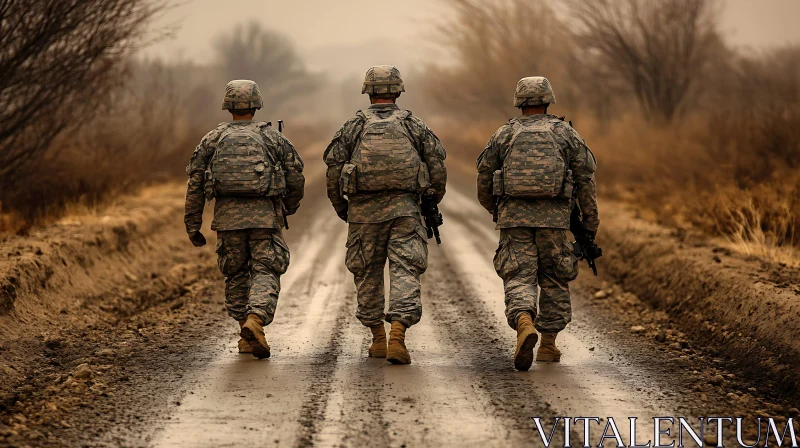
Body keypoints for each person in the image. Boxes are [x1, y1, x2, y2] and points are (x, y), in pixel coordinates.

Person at [323, 65, 447, 365]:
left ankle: (378, 337)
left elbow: (333, 170)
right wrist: (429, 200)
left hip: (363, 214)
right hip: (405, 210)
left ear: (368, 91)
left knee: (366, 272)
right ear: (398, 91)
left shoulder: (352, 127)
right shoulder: (414, 125)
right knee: (406, 270)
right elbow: (437, 168)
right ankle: (398, 335)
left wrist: (344, 208)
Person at [476, 77, 599, 371]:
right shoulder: (566, 134)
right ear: (548, 100)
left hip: (514, 218)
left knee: (518, 274)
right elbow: (586, 180)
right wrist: (589, 225)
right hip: (555, 219)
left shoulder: (504, 134)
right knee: (555, 276)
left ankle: (523, 320)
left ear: (520, 102)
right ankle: (547, 344)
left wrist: (498, 210)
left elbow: (484, 176)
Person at [184, 80, 305, 359]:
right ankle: (255, 320)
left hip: (227, 221)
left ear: (228, 106)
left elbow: (194, 183)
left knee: (236, 274)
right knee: (266, 269)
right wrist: (288, 206)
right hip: (265, 218)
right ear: (256, 104)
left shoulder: (213, 138)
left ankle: (245, 332)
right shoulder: (272, 138)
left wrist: (193, 223)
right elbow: (296, 174)